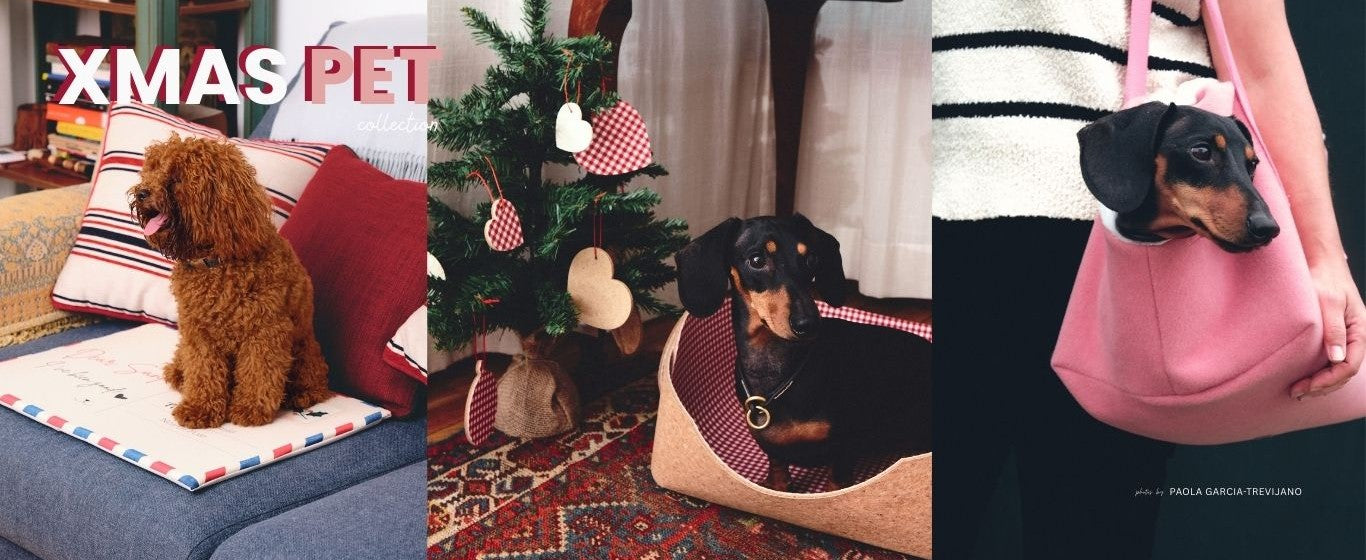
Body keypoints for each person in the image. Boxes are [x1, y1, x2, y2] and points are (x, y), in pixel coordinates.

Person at [932, 1, 1364, 557]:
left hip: (1131, 252)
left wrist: (1325, 259)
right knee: (916, 520)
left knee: (1093, 532)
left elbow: (1264, 71)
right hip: (943, 227)